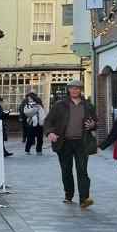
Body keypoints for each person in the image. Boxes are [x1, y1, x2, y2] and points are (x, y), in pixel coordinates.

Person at [43, 80, 97, 208]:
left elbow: (95, 122)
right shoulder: (59, 105)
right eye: (72, 88)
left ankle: (84, 199)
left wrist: (94, 125)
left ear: (81, 90)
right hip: (64, 143)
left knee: (82, 171)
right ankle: (68, 194)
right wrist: (50, 133)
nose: (75, 90)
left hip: (82, 143)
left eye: (77, 88)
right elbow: (48, 121)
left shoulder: (88, 106)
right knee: (66, 170)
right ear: (68, 90)